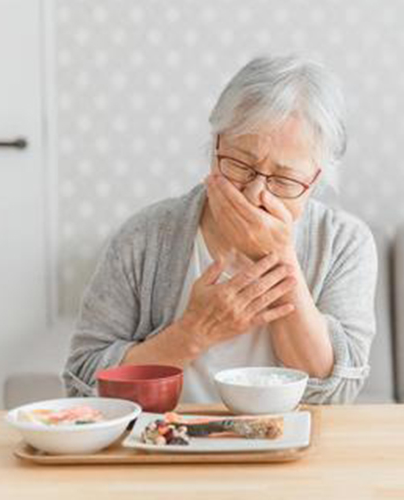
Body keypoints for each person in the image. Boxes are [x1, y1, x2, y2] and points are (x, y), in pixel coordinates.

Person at [63, 55, 377, 404]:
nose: (255, 194)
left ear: (315, 180)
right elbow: (81, 383)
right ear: (216, 144)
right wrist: (193, 332)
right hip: (167, 435)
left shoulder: (345, 243)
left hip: (292, 437)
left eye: (284, 180)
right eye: (240, 164)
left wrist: (278, 256)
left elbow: (338, 393)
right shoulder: (145, 237)